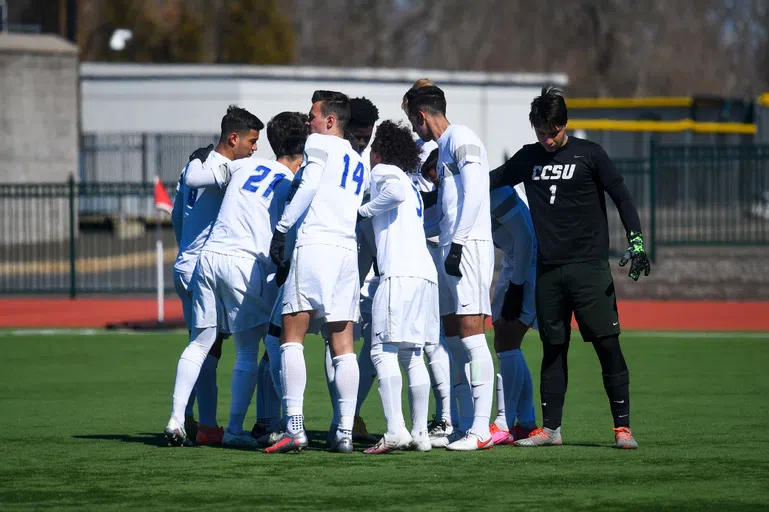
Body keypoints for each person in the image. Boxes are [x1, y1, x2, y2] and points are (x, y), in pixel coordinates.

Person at [489, 85, 650, 449]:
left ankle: (622, 428)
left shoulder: (590, 154)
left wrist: (636, 241)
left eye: (553, 131)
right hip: (549, 271)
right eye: (541, 133)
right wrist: (438, 185)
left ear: (565, 124)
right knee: (553, 347)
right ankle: (551, 430)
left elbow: (622, 196)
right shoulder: (528, 157)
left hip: (589, 268)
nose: (547, 140)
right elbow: (490, 180)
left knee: (607, 345)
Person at [266, 90, 370, 454]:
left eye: (313, 115)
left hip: (316, 244)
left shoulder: (317, 143)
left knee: (291, 335)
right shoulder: (360, 159)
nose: (307, 122)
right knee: (343, 346)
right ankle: (343, 431)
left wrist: (281, 229)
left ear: (330, 121)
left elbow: (309, 186)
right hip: (345, 251)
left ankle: (294, 426)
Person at [164, 105, 263, 447]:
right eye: (251, 141)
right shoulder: (226, 169)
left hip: (187, 263)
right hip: (201, 267)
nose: (255, 149)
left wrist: (186, 250)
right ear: (232, 138)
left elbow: (178, 216)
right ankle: (201, 423)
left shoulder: (194, 164)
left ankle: (191, 419)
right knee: (206, 345)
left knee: (207, 344)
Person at [404, 84, 496, 451]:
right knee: (454, 339)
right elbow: (443, 213)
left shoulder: (463, 137)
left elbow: (476, 190)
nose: (414, 130)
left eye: (413, 121)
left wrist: (458, 242)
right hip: (449, 247)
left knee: (473, 336)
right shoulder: (442, 152)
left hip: (468, 246)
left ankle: (481, 429)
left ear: (422, 116)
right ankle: (460, 424)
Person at [356, 120, 437, 454]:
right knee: (414, 354)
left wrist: (360, 211)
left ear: (380, 151)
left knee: (381, 350)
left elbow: (393, 194)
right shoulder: (413, 181)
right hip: (425, 275)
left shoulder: (383, 172)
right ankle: (419, 433)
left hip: (399, 274)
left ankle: (394, 430)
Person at [325, 96, 381, 444]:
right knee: (331, 342)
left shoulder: (372, 162)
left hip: (366, 262)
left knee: (378, 341)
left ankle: (350, 413)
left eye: (367, 136)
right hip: (333, 256)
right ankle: (338, 419)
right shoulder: (328, 152)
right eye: (358, 135)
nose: (362, 142)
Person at [487, 185, 538, 445]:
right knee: (507, 343)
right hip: (513, 263)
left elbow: (526, 239)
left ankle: (504, 422)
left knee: (507, 340)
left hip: (528, 264)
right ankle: (526, 422)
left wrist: (517, 286)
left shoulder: (495, 192)